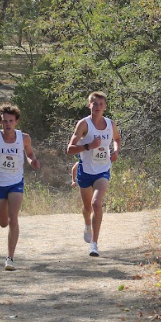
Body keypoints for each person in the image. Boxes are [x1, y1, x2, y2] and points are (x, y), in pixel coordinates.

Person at [0, 103, 41, 270]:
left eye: (11, 121)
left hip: (16, 182)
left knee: (13, 218)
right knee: (3, 222)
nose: (8, 124)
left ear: (16, 121)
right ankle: (9, 252)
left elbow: (30, 153)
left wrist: (32, 160)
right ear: (0, 122)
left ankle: (10, 258)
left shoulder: (24, 138)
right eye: (4, 121)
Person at [65, 91, 121, 257]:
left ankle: (94, 244)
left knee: (97, 204)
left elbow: (117, 139)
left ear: (105, 106)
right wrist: (89, 146)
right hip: (85, 171)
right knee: (87, 207)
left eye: (101, 104)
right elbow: (69, 149)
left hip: (103, 170)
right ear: (89, 105)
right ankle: (87, 223)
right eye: (94, 104)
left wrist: (116, 151)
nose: (97, 107)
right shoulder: (83, 124)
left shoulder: (111, 124)